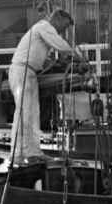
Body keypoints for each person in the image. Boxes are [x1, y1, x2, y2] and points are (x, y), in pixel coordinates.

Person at [8, 9, 79, 165]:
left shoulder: (42, 31)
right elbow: (61, 45)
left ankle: (33, 152)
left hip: (30, 73)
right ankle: (16, 154)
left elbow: (41, 55)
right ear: (57, 19)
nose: (63, 31)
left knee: (34, 114)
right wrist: (76, 56)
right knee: (23, 112)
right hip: (22, 72)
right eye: (64, 26)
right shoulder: (44, 27)